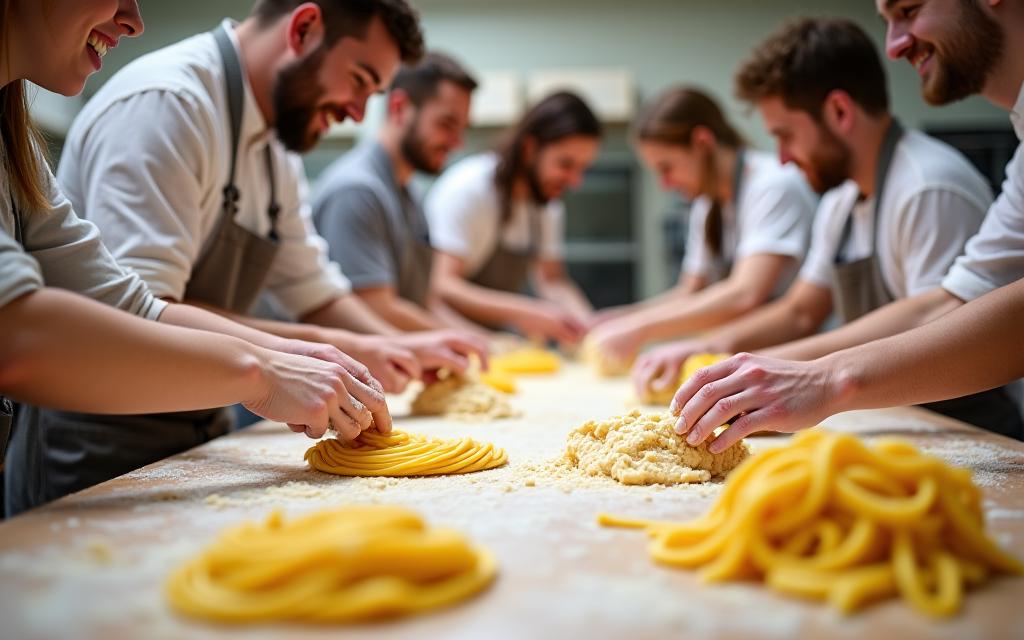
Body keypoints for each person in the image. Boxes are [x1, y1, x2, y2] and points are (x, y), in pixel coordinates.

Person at [8, 0, 489, 515]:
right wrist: (270, 367)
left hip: (194, 437)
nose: (356, 112)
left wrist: (367, 347)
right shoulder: (170, 103)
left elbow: (307, 291)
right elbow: (80, 319)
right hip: (96, 452)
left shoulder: (275, 145)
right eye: (358, 80)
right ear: (303, 28)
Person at [637, 17, 1022, 438]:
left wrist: (812, 377)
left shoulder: (927, 185)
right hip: (891, 415)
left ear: (839, 111)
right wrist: (722, 355)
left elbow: (939, 321)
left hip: (962, 427)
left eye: (785, 136)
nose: (781, 158)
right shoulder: (840, 201)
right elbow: (801, 310)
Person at [586, 86, 815, 367]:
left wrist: (641, 328)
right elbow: (690, 292)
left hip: (794, 358)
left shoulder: (774, 185)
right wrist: (622, 318)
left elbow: (745, 293)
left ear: (702, 142)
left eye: (666, 167)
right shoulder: (706, 205)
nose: (665, 184)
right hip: (741, 358)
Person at [313, 51, 482, 332]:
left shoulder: (409, 192)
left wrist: (484, 342)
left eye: (462, 129)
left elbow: (423, 304)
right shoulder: (357, 191)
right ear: (400, 107)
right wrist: (457, 341)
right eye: (447, 125)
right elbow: (377, 307)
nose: (457, 143)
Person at [425, 91, 602, 346]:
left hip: (496, 338)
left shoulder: (546, 206)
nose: (575, 181)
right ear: (530, 149)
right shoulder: (469, 189)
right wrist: (523, 312)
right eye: (565, 164)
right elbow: (443, 284)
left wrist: (586, 325)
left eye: (582, 169)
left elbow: (552, 280)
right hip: (445, 331)